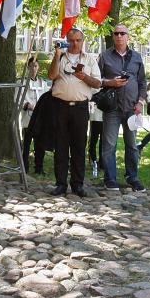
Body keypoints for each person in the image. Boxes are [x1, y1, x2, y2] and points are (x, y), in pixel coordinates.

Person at [47, 28, 102, 197]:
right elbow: (51, 76)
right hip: (60, 107)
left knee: (79, 146)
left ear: (82, 41)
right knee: (61, 146)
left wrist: (84, 77)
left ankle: (78, 184)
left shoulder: (89, 59)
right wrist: (57, 55)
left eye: (78, 40)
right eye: (71, 40)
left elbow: (98, 83)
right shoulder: (61, 57)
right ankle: (60, 184)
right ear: (67, 41)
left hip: (80, 108)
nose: (75, 43)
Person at [97, 25, 148, 192]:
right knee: (109, 145)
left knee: (132, 145)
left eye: (122, 33)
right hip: (112, 108)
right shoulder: (104, 56)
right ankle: (110, 179)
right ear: (113, 36)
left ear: (128, 36)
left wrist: (140, 102)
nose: (119, 36)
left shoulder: (137, 57)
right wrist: (110, 82)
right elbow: (96, 80)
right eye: (116, 33)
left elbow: (142, 82)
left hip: (132, 108)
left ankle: (132, 177)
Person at [20, 57, 48, 174]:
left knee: (40, 145)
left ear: (38, 67)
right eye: (31, 66)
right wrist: (28, 105)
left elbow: (46, 98)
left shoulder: (43, 83)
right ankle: (24, 167)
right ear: (28, 67)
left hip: (40, 118)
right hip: (28, 117)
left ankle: (39, 168)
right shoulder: (22, 83)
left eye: (35, 66)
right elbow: (19, 99)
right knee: (26, 144)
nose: (33, 68)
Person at [88, 101, 103, 178]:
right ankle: (94, 161)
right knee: (93, 141)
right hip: (95, 116)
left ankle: (99, 162)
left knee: (99, 142)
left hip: (102, 116)